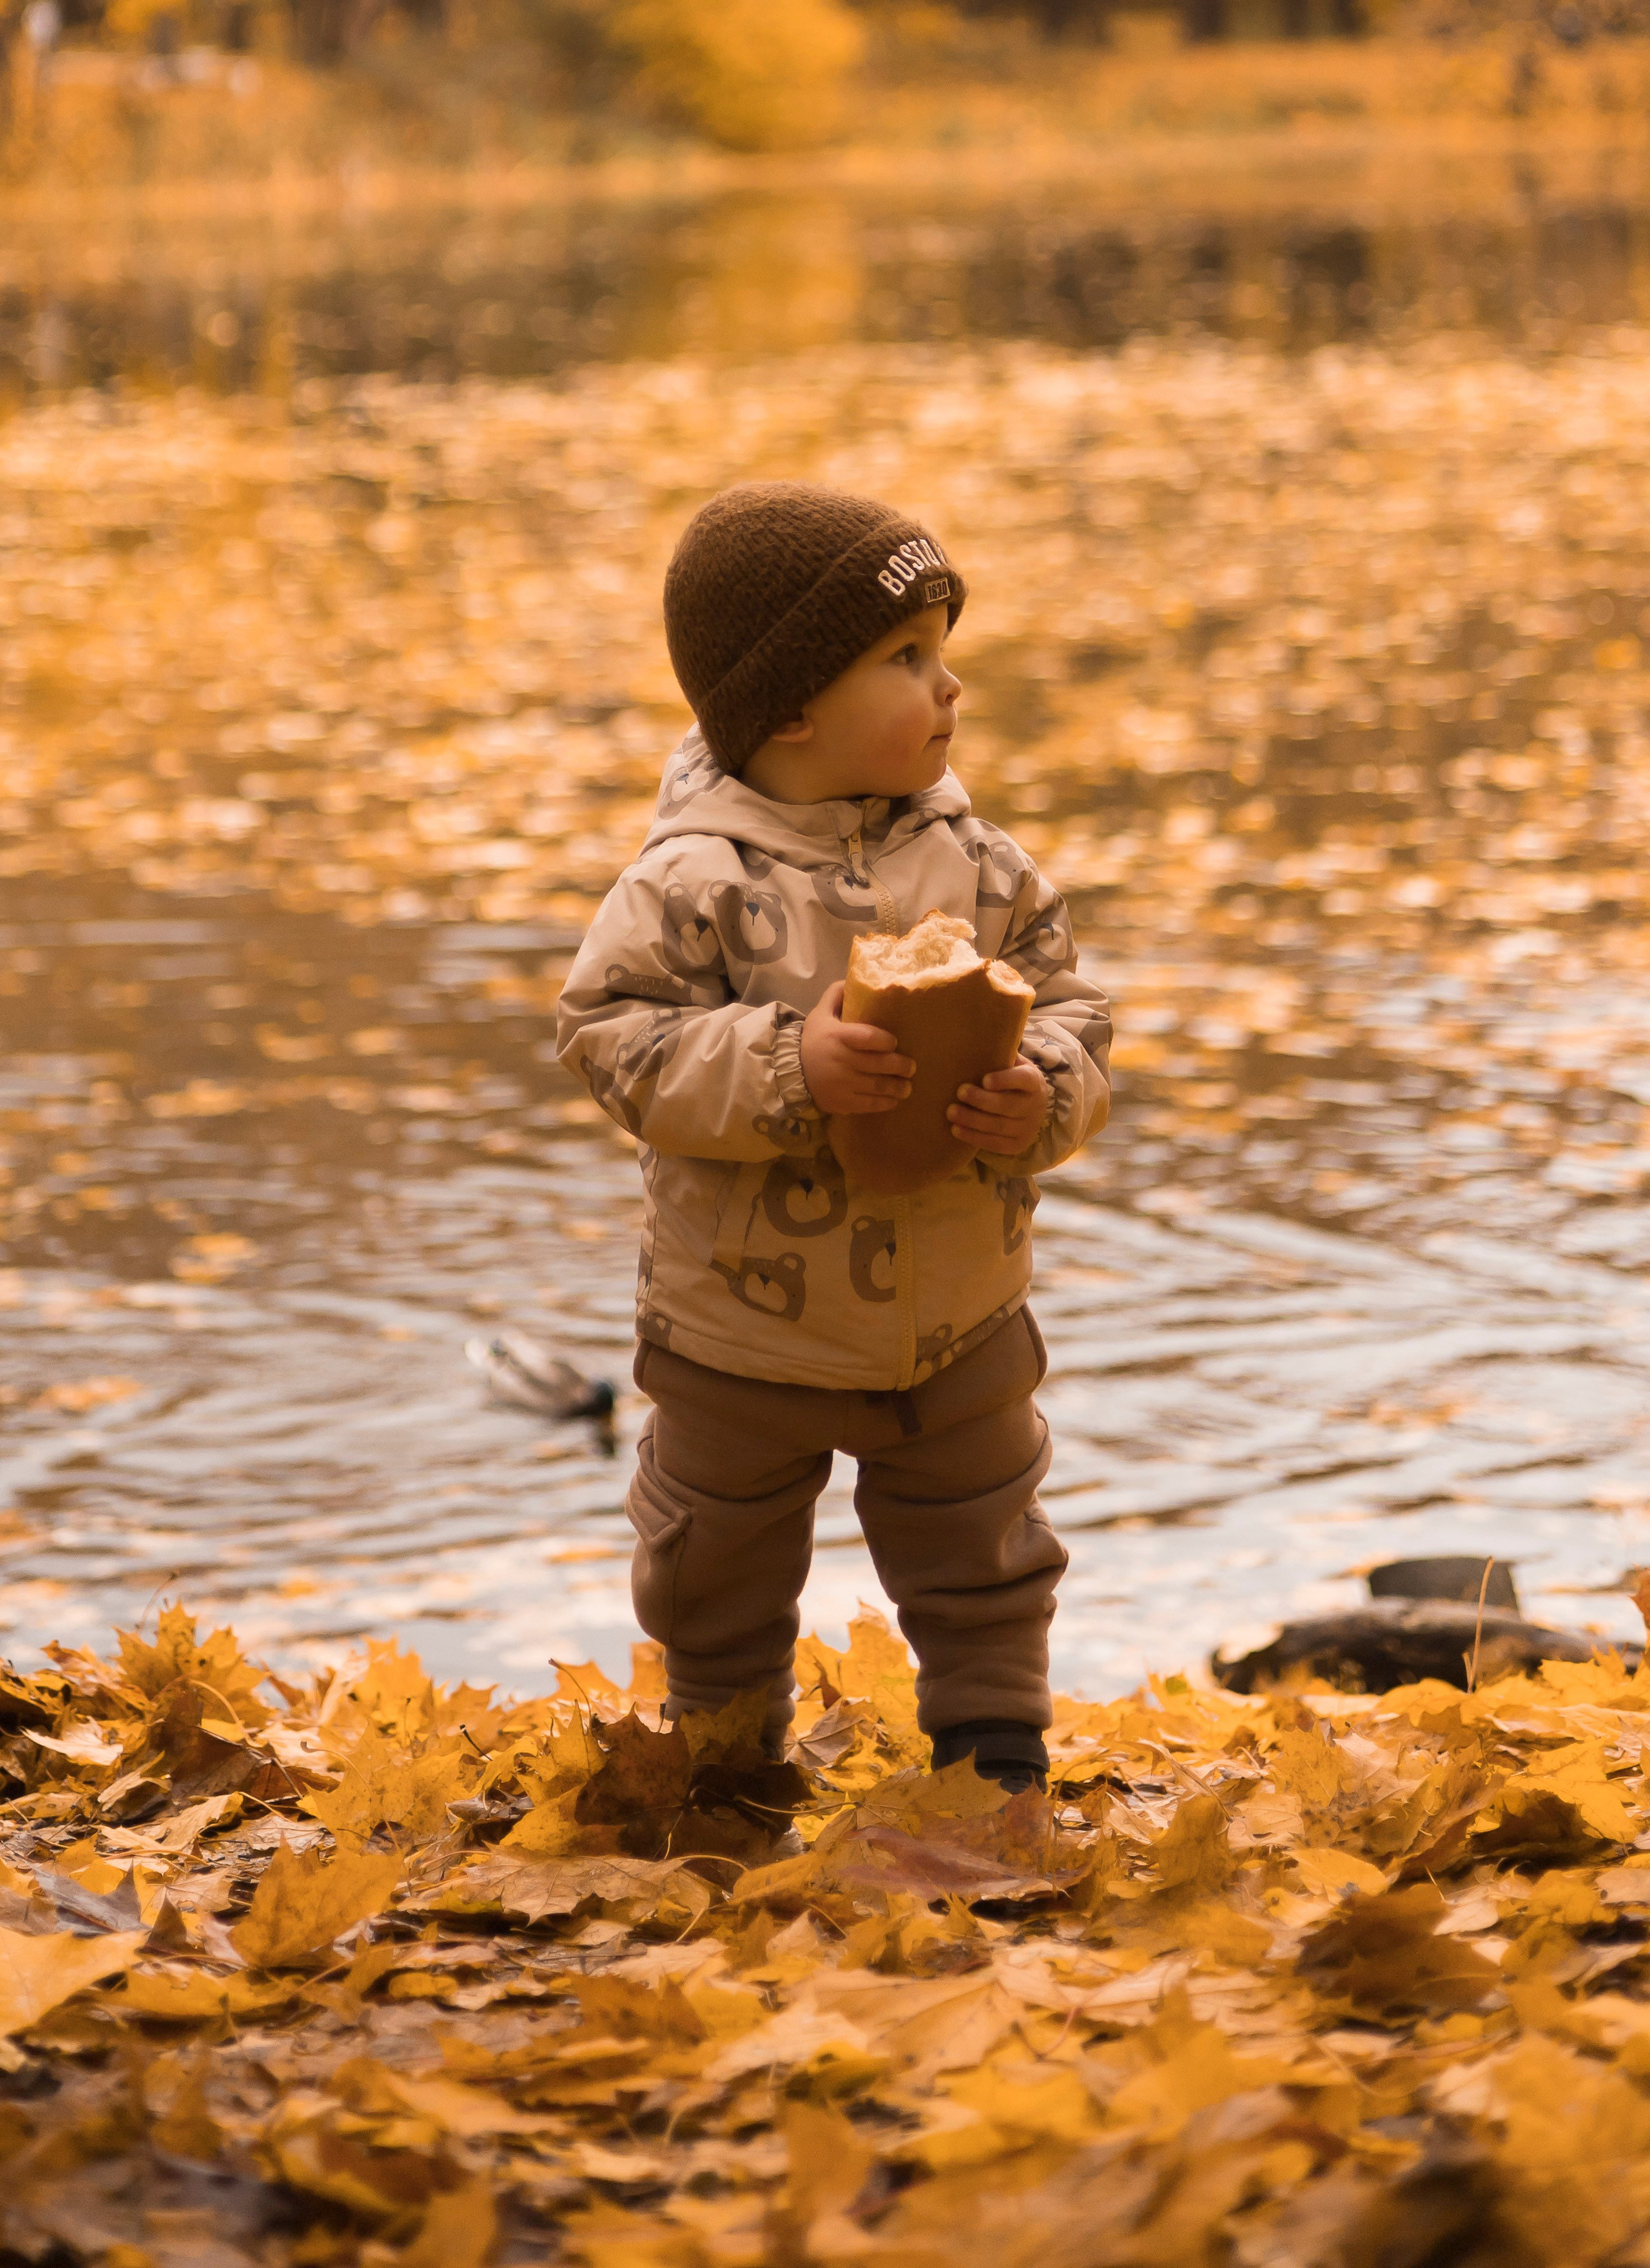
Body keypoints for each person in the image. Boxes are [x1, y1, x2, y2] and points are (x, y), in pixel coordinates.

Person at [556, 482, 1111, 1796]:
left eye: (942, 648)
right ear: (792, 707)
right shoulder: (687, 882)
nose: (950, 684)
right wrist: (786, 1061)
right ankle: (723, 1755)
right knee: (715, 1553)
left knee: (982, 1540)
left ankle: (995, 1765)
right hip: (739, 1322)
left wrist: (1040, 1089)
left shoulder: (983, 869)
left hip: (956, 1307)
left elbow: (1076, 1006)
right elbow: (610, 1038)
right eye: (906, 658)